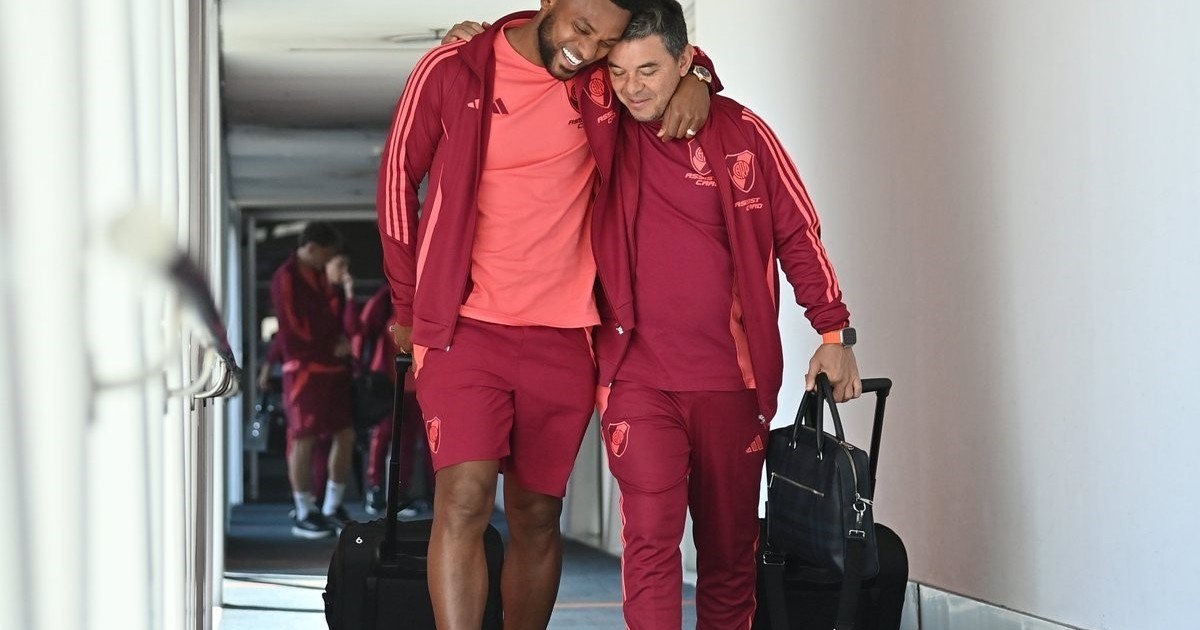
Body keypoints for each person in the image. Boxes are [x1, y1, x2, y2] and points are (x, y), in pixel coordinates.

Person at [376, 1, 716, 626]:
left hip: (565, 334)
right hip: (464, 327)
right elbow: (398, 177)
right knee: (464, 498)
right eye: (582, 29)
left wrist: (700, 78)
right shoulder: (452, 69)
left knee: (536, 514)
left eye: (605, 42)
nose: (588, 51)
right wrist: (406, 303)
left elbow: (658, 63)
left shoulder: (597, 83)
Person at [591, 2, 862, 627]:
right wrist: (486, 37)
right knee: (650, 542)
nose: (632, 88)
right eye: (620, 72)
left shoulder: (743, 133)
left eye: (649, 70)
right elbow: (556, 40)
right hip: (636, 380)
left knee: (730, 555)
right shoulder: (605, 127)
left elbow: (798, 234)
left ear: (683, 59)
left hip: (731, 383)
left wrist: (833, 331)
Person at [269, 222, 359, 539]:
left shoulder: (322, 277)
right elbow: (293, 327)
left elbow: (340, 321)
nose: (328, 260)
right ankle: (304, 510)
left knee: (345, 433)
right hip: (304, 370)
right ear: (311, 248)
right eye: (326, 254)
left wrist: (340, 342)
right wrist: (329, 344)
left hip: (332, 368)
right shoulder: (286, 277)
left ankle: (331, 505)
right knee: (303, 438)